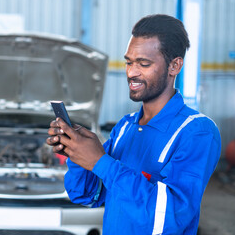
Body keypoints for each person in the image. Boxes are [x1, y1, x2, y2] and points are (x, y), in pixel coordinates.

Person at [46, 14, 221, 234]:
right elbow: (88, 195)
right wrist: (77, 154)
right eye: (129, 62)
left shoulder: (197, 132)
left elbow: (169, 218)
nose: (131, 72)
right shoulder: (125, 127)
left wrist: (100, 161)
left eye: (143, 64)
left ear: (174, 66)